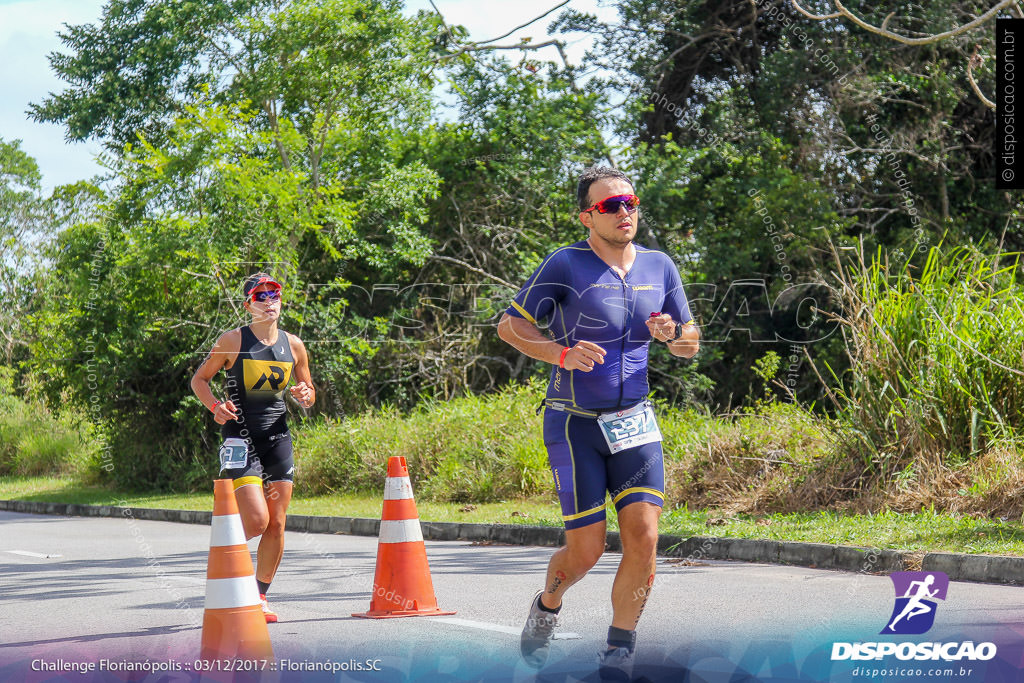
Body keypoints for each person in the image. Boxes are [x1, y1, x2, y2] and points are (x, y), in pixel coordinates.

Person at [497, 167, 699, 677]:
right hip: (574, 425)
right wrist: (559, 354)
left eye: (630, 202)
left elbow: (689, 345)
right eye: (611, 206)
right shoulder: (566, 264)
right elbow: (510, 325)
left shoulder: (660, 266)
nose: (625, 212)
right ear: (588, 215)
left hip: (636, 422)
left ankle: (619, 647)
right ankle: (548, 602)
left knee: (645, 535)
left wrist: (671, 333)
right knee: (585, 551)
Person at [191, 273, 315, 623]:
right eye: (259, 295)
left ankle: (258, 596)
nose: (268, 299)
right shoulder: (232, 341)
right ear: (248, 304)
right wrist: (216, 407)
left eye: (273, 292)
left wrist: (306, 395)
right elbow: (199, 380)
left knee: (276, 523)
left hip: (277, 439)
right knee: (258, 521)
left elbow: (308, 390)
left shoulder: (294, 345)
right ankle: (223, 555)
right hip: (239, 440)